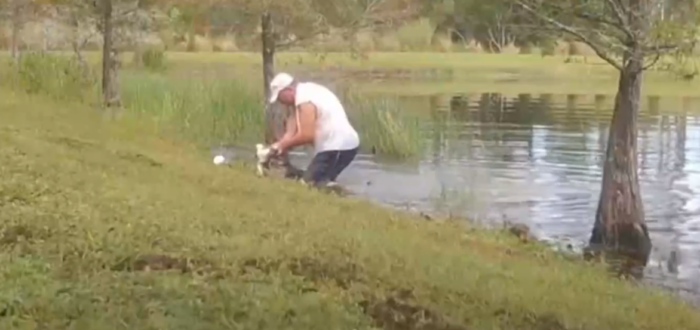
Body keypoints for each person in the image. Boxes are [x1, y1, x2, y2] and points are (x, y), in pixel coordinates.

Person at [267, 72, 360, 186]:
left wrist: (281, 146)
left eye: (280, 97)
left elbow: (307, 135)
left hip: (339, 145)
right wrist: (280, 145)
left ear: (288, 90)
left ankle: (342, 195)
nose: (280, 101)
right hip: (332, 145)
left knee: (309, 184)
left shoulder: (305, 100)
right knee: (317, 180)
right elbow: (291, 129)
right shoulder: (304, 93)